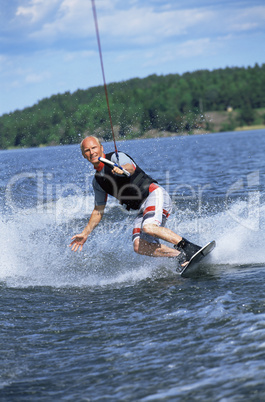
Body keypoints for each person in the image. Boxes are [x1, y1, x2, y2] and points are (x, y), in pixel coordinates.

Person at [69, 136, 201, 269]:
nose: (92, 152)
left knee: (149, 227)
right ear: (83, 155)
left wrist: (122, 169)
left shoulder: (116, 157)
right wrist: (85, 233)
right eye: (87, 150)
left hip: (153, 193)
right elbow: (98, 210)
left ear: (101, 148)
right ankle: (180, 256)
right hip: (142, 208)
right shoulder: (97, 182)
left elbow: (130, 167)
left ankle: (190, 249)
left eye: (94, 148)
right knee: (139, 246)